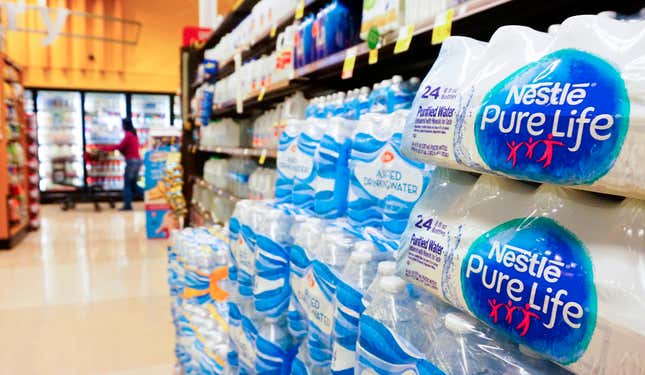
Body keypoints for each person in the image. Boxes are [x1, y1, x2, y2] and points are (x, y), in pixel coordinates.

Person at [99, 118, 143, 211]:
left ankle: (127, 205)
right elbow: (125, 148)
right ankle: (148, 198)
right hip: (137, 161)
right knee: (134, 185)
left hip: (132, 162)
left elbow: (120, 146)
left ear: (124, 126)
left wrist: (104, 148)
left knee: (127, 184)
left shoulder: (128, 135)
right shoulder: (133, 135)